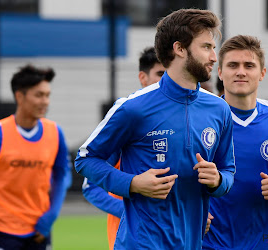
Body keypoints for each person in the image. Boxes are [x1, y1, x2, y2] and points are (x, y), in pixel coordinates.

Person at [75, 8, 235, 249]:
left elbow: (228, 172)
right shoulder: (133, 107)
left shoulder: (219, 109)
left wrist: (218, 180)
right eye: (206, 47)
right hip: (141, 243)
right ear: (179, 49)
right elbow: (85, 159)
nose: (214, 57)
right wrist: (132, 184)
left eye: (214, 48)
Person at [203, 35, 268, 250]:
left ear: (262, 73)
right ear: (220, 72)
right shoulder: (200, 119)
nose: (241, 71)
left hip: (258, 244)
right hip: (205, 243)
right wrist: (192, 212)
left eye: (249, 65)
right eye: (232, 65)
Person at [82, 46, 165, 250]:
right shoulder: (128, 119)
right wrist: (130, 210)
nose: (166, 80)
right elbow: (90, 185)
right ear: (142, 78)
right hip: (130, 239)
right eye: (160, 74)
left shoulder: (185, 120)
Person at [0, 64, 71, 250]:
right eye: (39, 95)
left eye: (47, 95)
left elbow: (62, 176)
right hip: (3, 231)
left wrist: (50, 216)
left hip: (39, 231)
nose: (45, 101)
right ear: (19, 96)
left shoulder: (55, 132)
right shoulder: (0, 132)